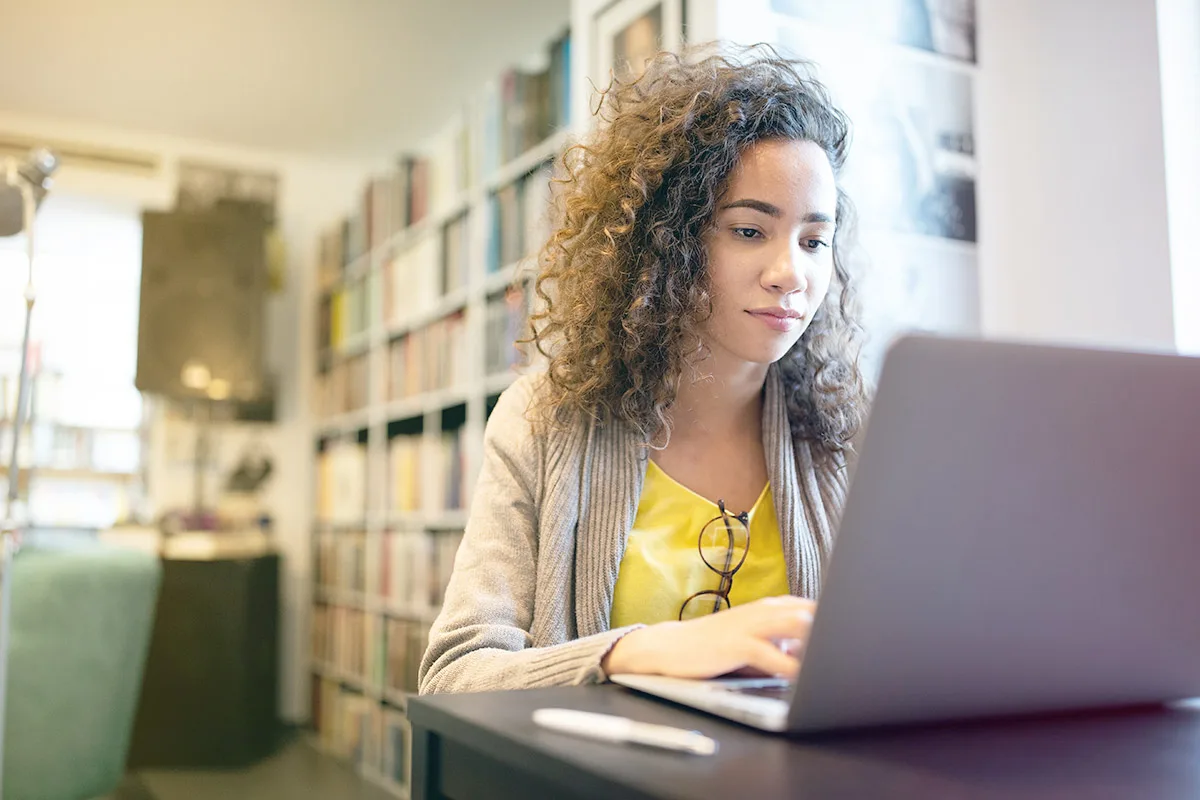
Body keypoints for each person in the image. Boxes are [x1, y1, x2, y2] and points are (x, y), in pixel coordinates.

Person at [419, 46, 870, 694]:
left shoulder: (851, 436)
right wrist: (636, 653)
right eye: (749, 231)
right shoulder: (542, 420)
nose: (791, 274)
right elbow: (453, 674)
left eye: (814, 241)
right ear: (669, 238)